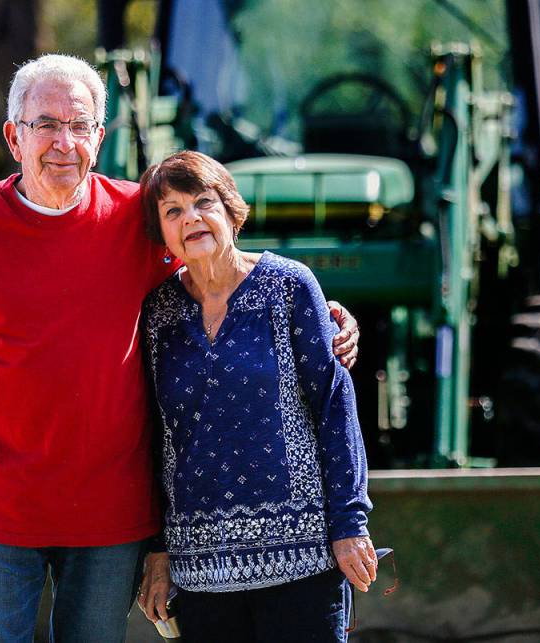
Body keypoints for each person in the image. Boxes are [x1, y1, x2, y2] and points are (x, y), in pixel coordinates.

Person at [0, 54, 360, 642]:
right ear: (14, 137)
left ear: (99, 137)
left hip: (111, 516)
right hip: (0, 511)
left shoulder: (135, 218)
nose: (63, 142)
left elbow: (218, 255)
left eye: (79, 125)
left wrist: (319, 310)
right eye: (45, 125)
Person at [136, 151, 376, 642]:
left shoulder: (289, 286)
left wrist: (350, 522)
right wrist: (157, 552)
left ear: (231, 211)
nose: (192, 219)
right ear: (161, 232)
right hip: (200, 572)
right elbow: (152, 437)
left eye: (204, 202)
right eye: (173, 211)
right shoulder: (155, 312)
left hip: (302, 561)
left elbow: (335, 405)